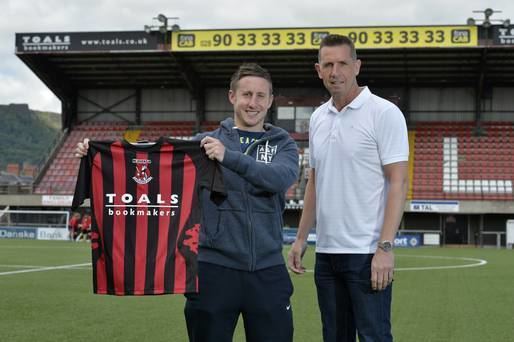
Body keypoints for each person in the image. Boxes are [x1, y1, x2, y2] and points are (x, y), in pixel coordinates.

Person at [75, 63, 299, 342]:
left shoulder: (283, 143)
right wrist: (97, 153)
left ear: (270, 100)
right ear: (232, 97)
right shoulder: (203, 145)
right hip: (211, 271)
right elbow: (153, 163)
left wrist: (228, 157)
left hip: (267, 270)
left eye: (260, 96)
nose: (252, 103)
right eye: (246, 94)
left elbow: (279, 178)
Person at [287, 34, 409, 342]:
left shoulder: (384, 113)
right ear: (318, 70)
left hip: (367, 253)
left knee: (374, 337)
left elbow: (398, 181)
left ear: (357, 66)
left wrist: (385, 248)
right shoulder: (317, 118)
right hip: (327, 253)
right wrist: (301, 238)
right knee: (334, 337)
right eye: (328, 64)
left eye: (342, 63)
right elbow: (315, 181)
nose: (335, 71)